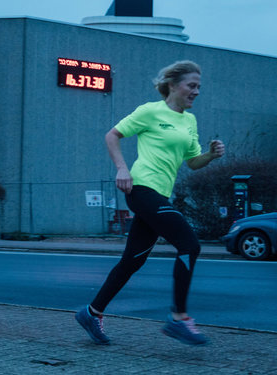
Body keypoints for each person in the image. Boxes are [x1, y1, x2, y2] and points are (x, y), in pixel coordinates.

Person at [75, 60, 225, 346]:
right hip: (141, 188)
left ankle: (91, 312)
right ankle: (179, 318)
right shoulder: (150, 111)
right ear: (172, 85)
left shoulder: (189, 121)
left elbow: (192, 163)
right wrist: (122, 168)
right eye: (191, 85)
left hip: (159, 196)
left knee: (132, 260)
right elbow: (112, 135)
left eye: (199, 87)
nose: (196, 91)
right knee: (190, 245)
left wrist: (210, 154)